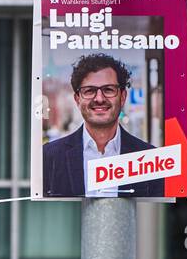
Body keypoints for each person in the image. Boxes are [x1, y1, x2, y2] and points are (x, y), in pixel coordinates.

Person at [42, 54, 165, 198]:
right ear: (77, 99)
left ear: (123, 96)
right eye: (89, 91)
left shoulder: (151, 160)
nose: (99, 98)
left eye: (108, 89)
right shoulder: (49, 156)